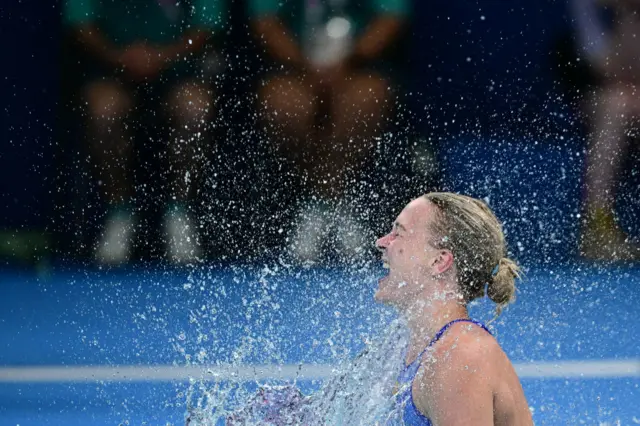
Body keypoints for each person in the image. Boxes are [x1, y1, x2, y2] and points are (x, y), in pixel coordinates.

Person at [64, 0, 226, 264]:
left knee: (195, 108)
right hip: (113, 70)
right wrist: (119, 57)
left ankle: (179, 212)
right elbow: (80, 24)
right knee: (103, 110)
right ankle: (119, 212)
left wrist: (162, 57)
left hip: (178, 72)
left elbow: (208, 26)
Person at [248, 0, 409, 263]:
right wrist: (306, 66)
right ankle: (319, 200)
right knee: (281, 101)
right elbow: (264, 21)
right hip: (297, 69)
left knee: (368, 97)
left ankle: (334, 201)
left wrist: (348, 61)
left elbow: (390, 17)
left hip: (356, 68)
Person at [375, 192, 533, 425]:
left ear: (439, 261)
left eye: (398, 233)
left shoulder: (459, 358)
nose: (381, 242)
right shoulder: (404, 345)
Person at [574, 0, 640, 261]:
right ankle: (597, 227)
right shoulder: (586, 5)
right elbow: (605, 68)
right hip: (603, 97)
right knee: (617, 102)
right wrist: (627, 15)